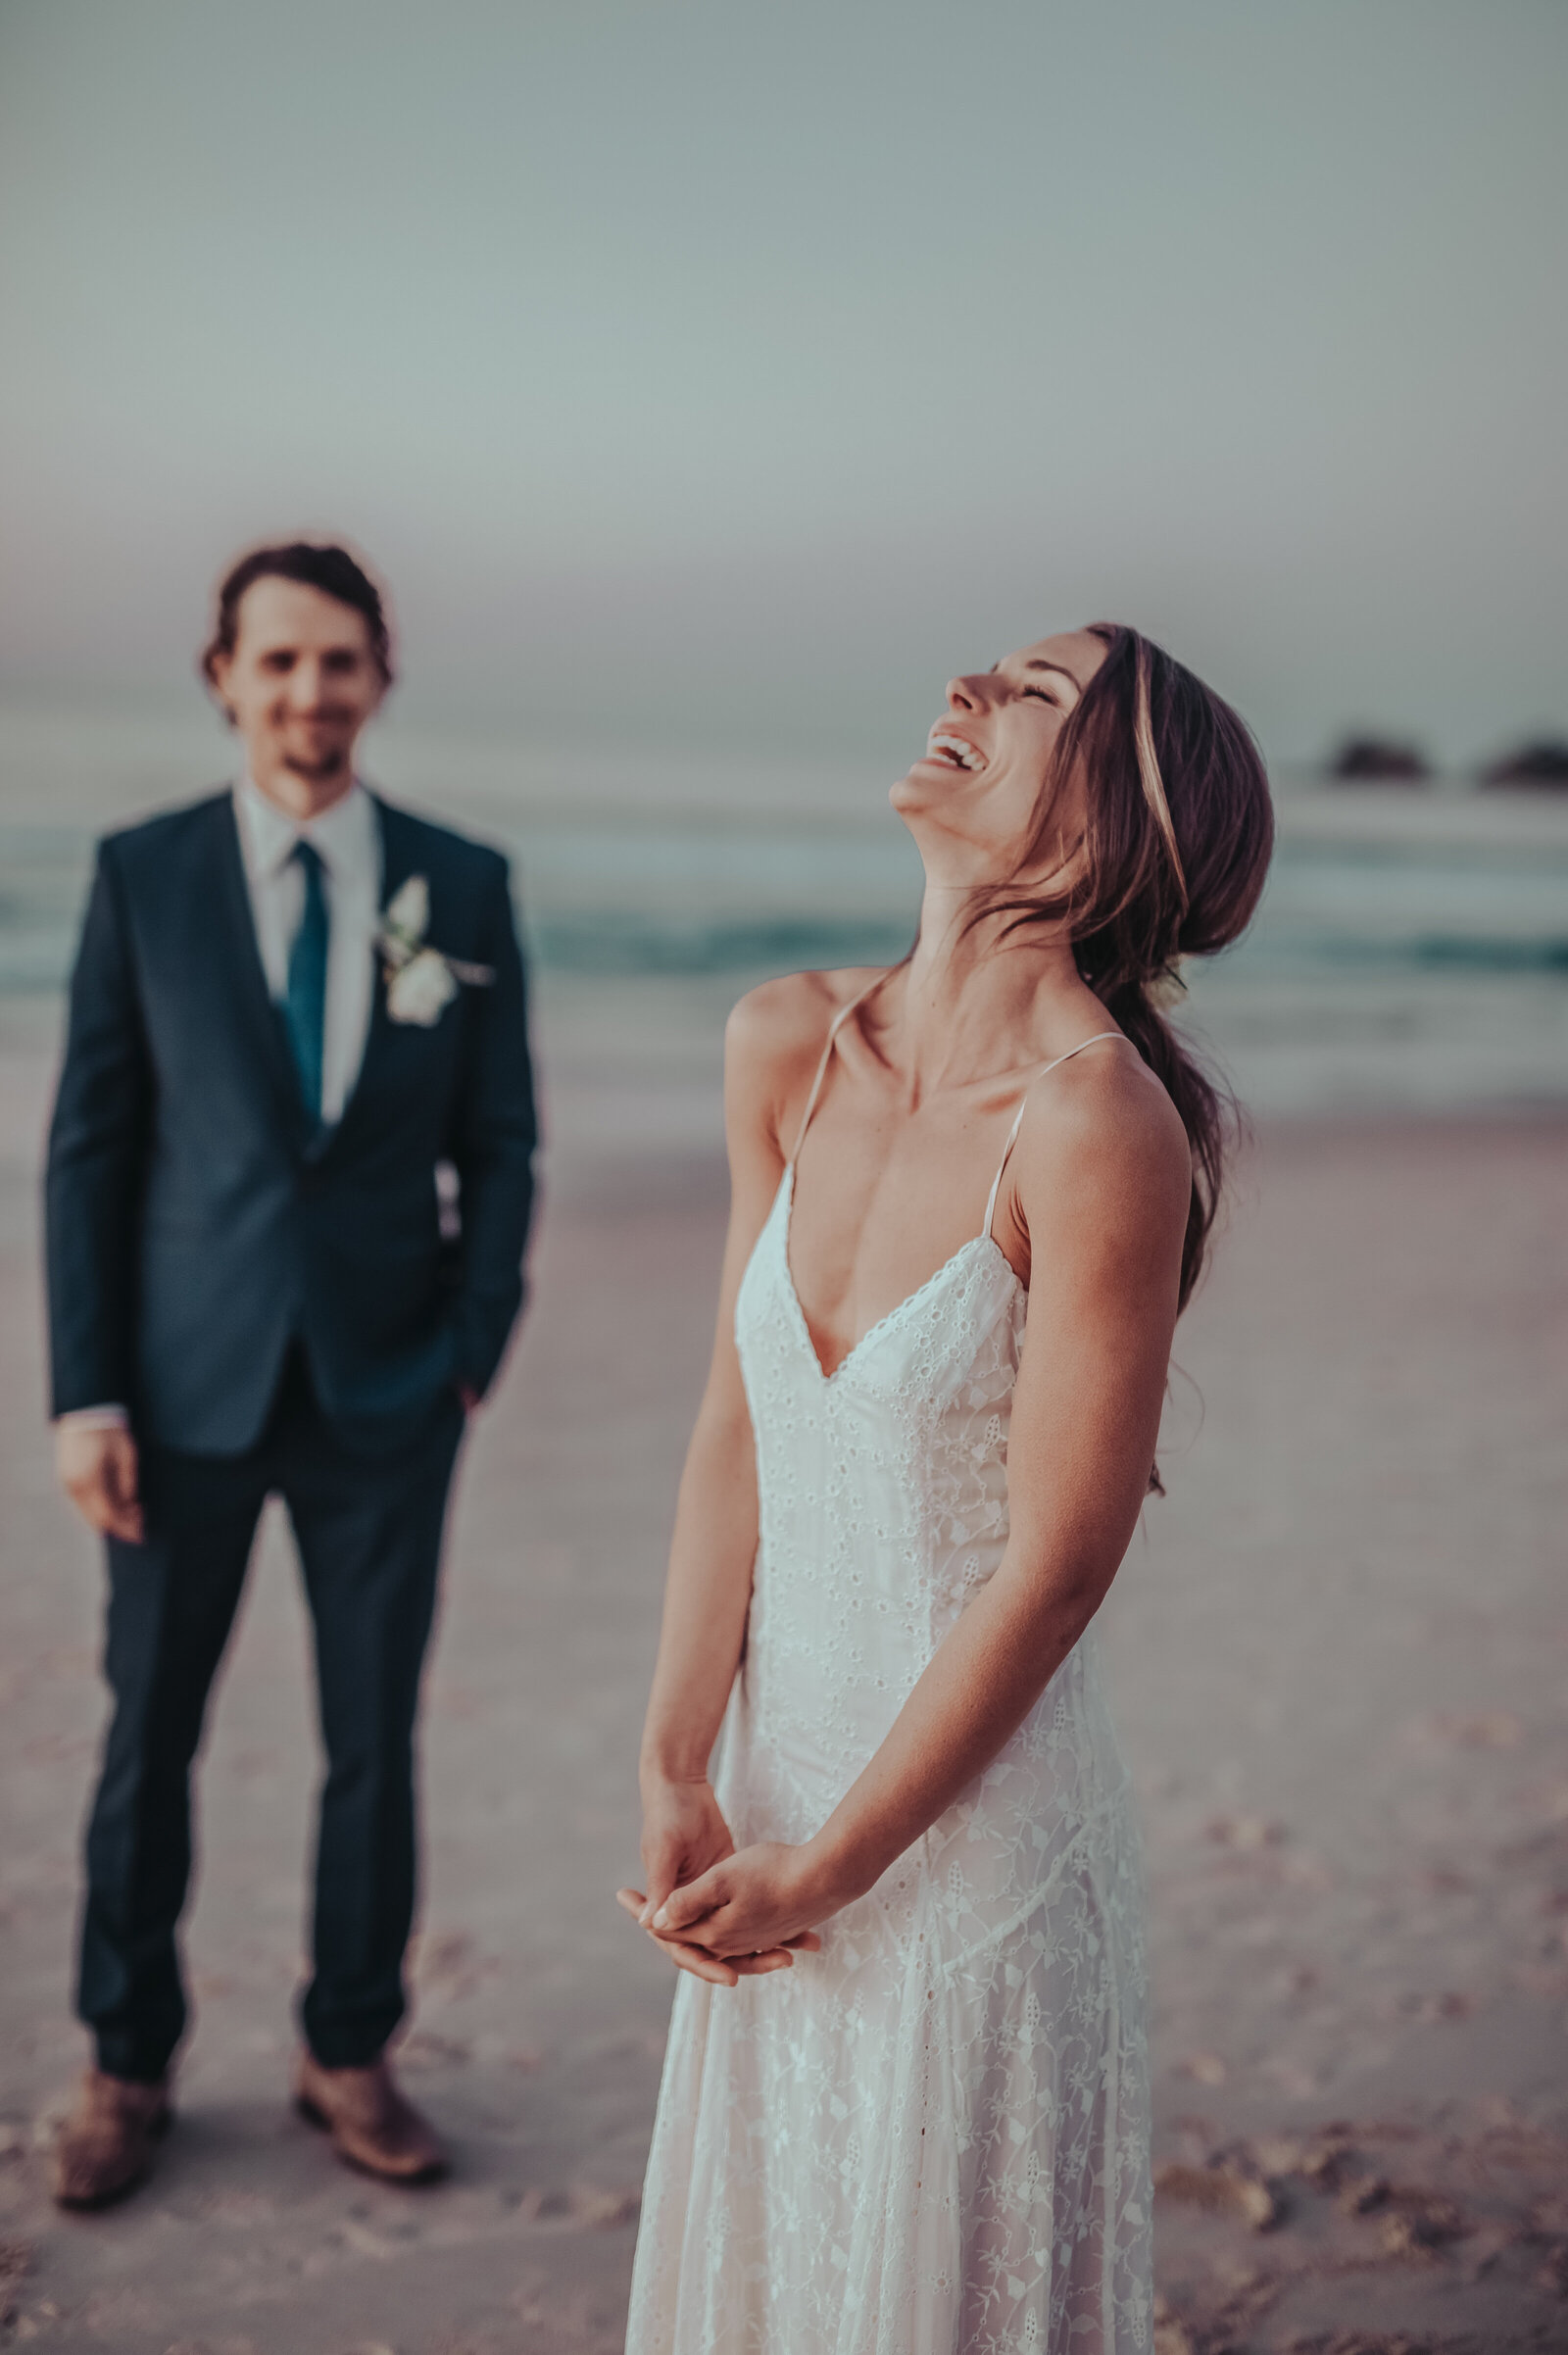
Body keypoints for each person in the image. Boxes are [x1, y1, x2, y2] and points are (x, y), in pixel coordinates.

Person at [616, 623, 1273, 2352]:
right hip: (772, 1805)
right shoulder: (786, 1042)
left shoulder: (1091, 1124)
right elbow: (733, 1431)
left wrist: (840, 1867)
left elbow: (1059, 1569)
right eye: (981, 673)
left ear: (1115, 824)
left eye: (1034, 695)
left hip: (966, 1855)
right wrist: (678, 1760)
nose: (966, 694)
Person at [45, 541, 537, 2207]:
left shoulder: (460, 889)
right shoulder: (143, 875)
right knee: (146, 1740)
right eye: (277, 663)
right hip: (176, 1396)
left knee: (370, 1741)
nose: (307, 693)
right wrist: (85, 1394)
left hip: (392, 1397)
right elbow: (88, 1154)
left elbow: (505, 1140)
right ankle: (125, 2064)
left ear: (379, 675)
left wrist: (474, 1344)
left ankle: (350, 2051)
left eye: (337, 662)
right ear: (223, 677)